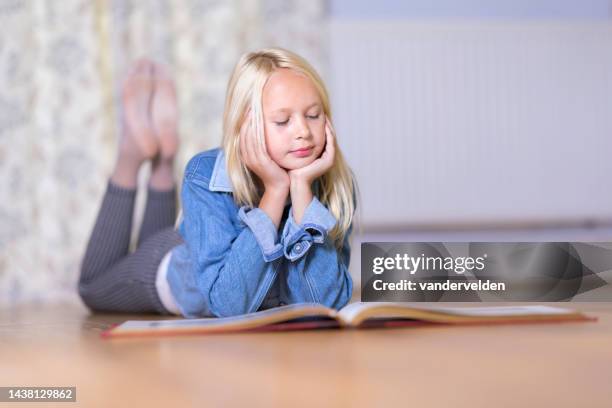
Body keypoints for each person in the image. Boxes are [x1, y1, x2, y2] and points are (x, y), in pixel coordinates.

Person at [78, 48, 358, 318]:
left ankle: (162, 161)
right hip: (166, 270)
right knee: (91, 287)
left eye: (313, 115)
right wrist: (274, 191)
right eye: (283, 121)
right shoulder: (205, 175)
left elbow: (324, 304)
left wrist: (301, 195)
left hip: (196, 241)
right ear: (246, 127)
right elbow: (228, 305)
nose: (303, 132)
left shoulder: (337, 185)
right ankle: (132, 155)